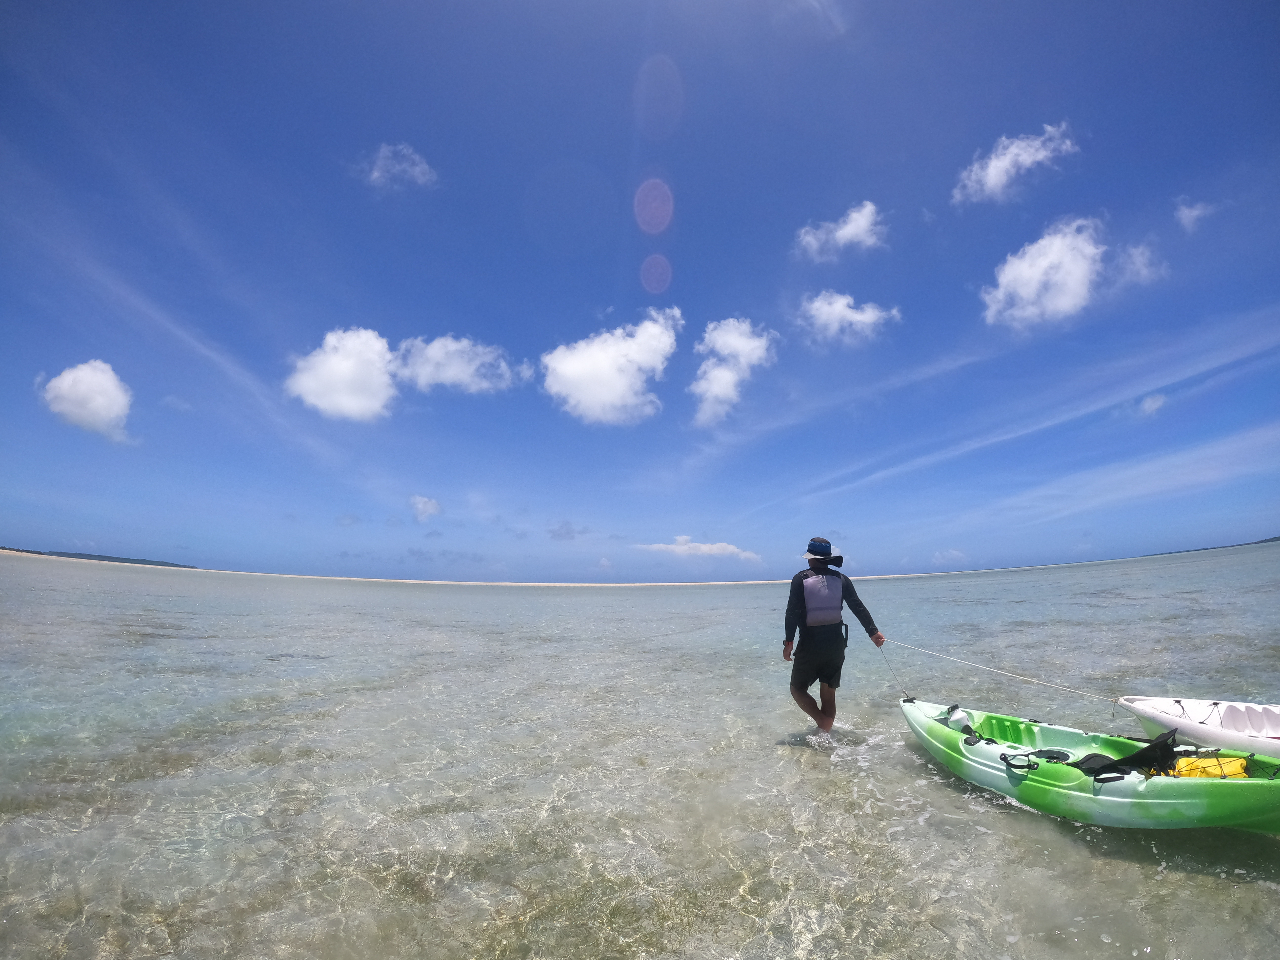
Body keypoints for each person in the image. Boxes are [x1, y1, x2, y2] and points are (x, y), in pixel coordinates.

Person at [783, 536, 886, 732]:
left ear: (810, 558)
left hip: (810, 644)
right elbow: (857, 606)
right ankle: (826, 732)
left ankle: (822, 722)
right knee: (828, 694)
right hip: (836, 644)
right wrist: (873, 632)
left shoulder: (801, 579)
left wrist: (788, 642)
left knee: (797, 689)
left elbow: (792, 613)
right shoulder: (841, 579)